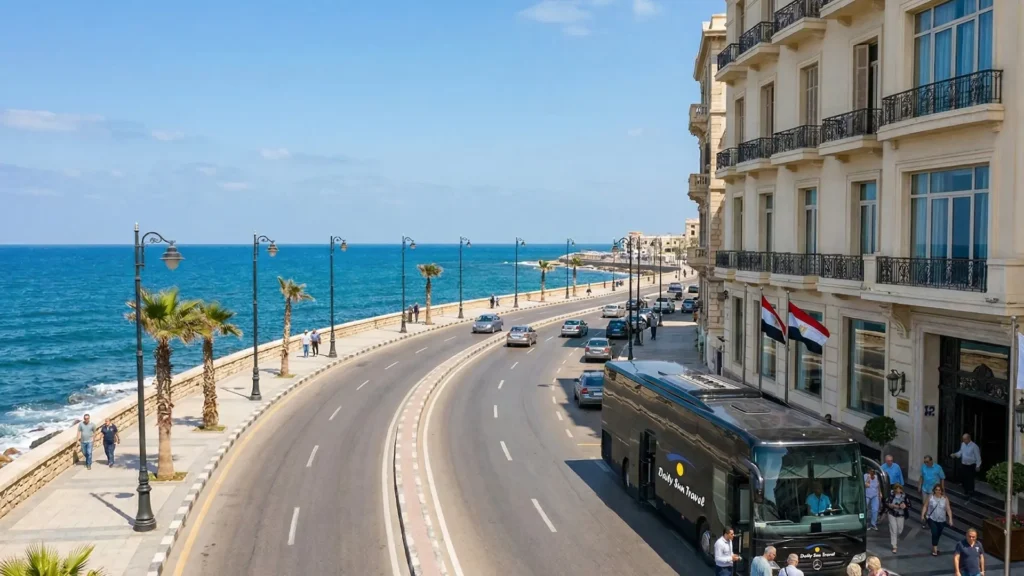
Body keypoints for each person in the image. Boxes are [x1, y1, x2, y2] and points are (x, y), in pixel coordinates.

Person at [921, 484, 954, 556]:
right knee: (934, 532)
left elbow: (948, 509)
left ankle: (934, 545)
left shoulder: (945, 498)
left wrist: (950, 519)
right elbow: (925, 506)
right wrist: (922, 515)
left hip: (942, 520)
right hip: (932, 518)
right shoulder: (930, 497)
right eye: (936, 490)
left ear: (941, 491)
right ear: (934, 490)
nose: (938, 491)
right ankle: (935, 549)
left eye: (939, 490)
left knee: (938, 533)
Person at [951, 433, 982, 500]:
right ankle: (966, 491)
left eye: (965, 439)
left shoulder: (974, 446)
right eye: (963, 439)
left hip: (971, 465)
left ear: (969, 438)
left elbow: (978, 457)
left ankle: (971, 492)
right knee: (964, 478)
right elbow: (960, 453)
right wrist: (955, 454)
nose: (964, 440)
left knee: (970, 479)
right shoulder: (963, 444)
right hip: (964, 464)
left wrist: (978, 465)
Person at [919, 455, 946, 527]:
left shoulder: (938, 468)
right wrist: (919, 486)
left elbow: (942, 478)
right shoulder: (923, 467)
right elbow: (921, 477)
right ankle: (924, 519)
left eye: (927, 462)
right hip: (925, 489)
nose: (926, 463)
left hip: (933, 490)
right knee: (924, 504)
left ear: (931, 461)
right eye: (925, 462)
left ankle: (931, 520)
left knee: (931, 505)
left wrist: (942, 489)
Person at [886, 483, 910, 553]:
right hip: (892, 513)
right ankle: (894, 546)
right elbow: (887, 503)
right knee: (894, 529)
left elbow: (909, 505)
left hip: (901, 514)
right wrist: (892, 505)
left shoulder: (904, 496)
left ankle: (895, 537)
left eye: (900, 489)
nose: (898, 490)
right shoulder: (891, 495)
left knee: (900, 530)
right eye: (897, 488)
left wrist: (905, 506)